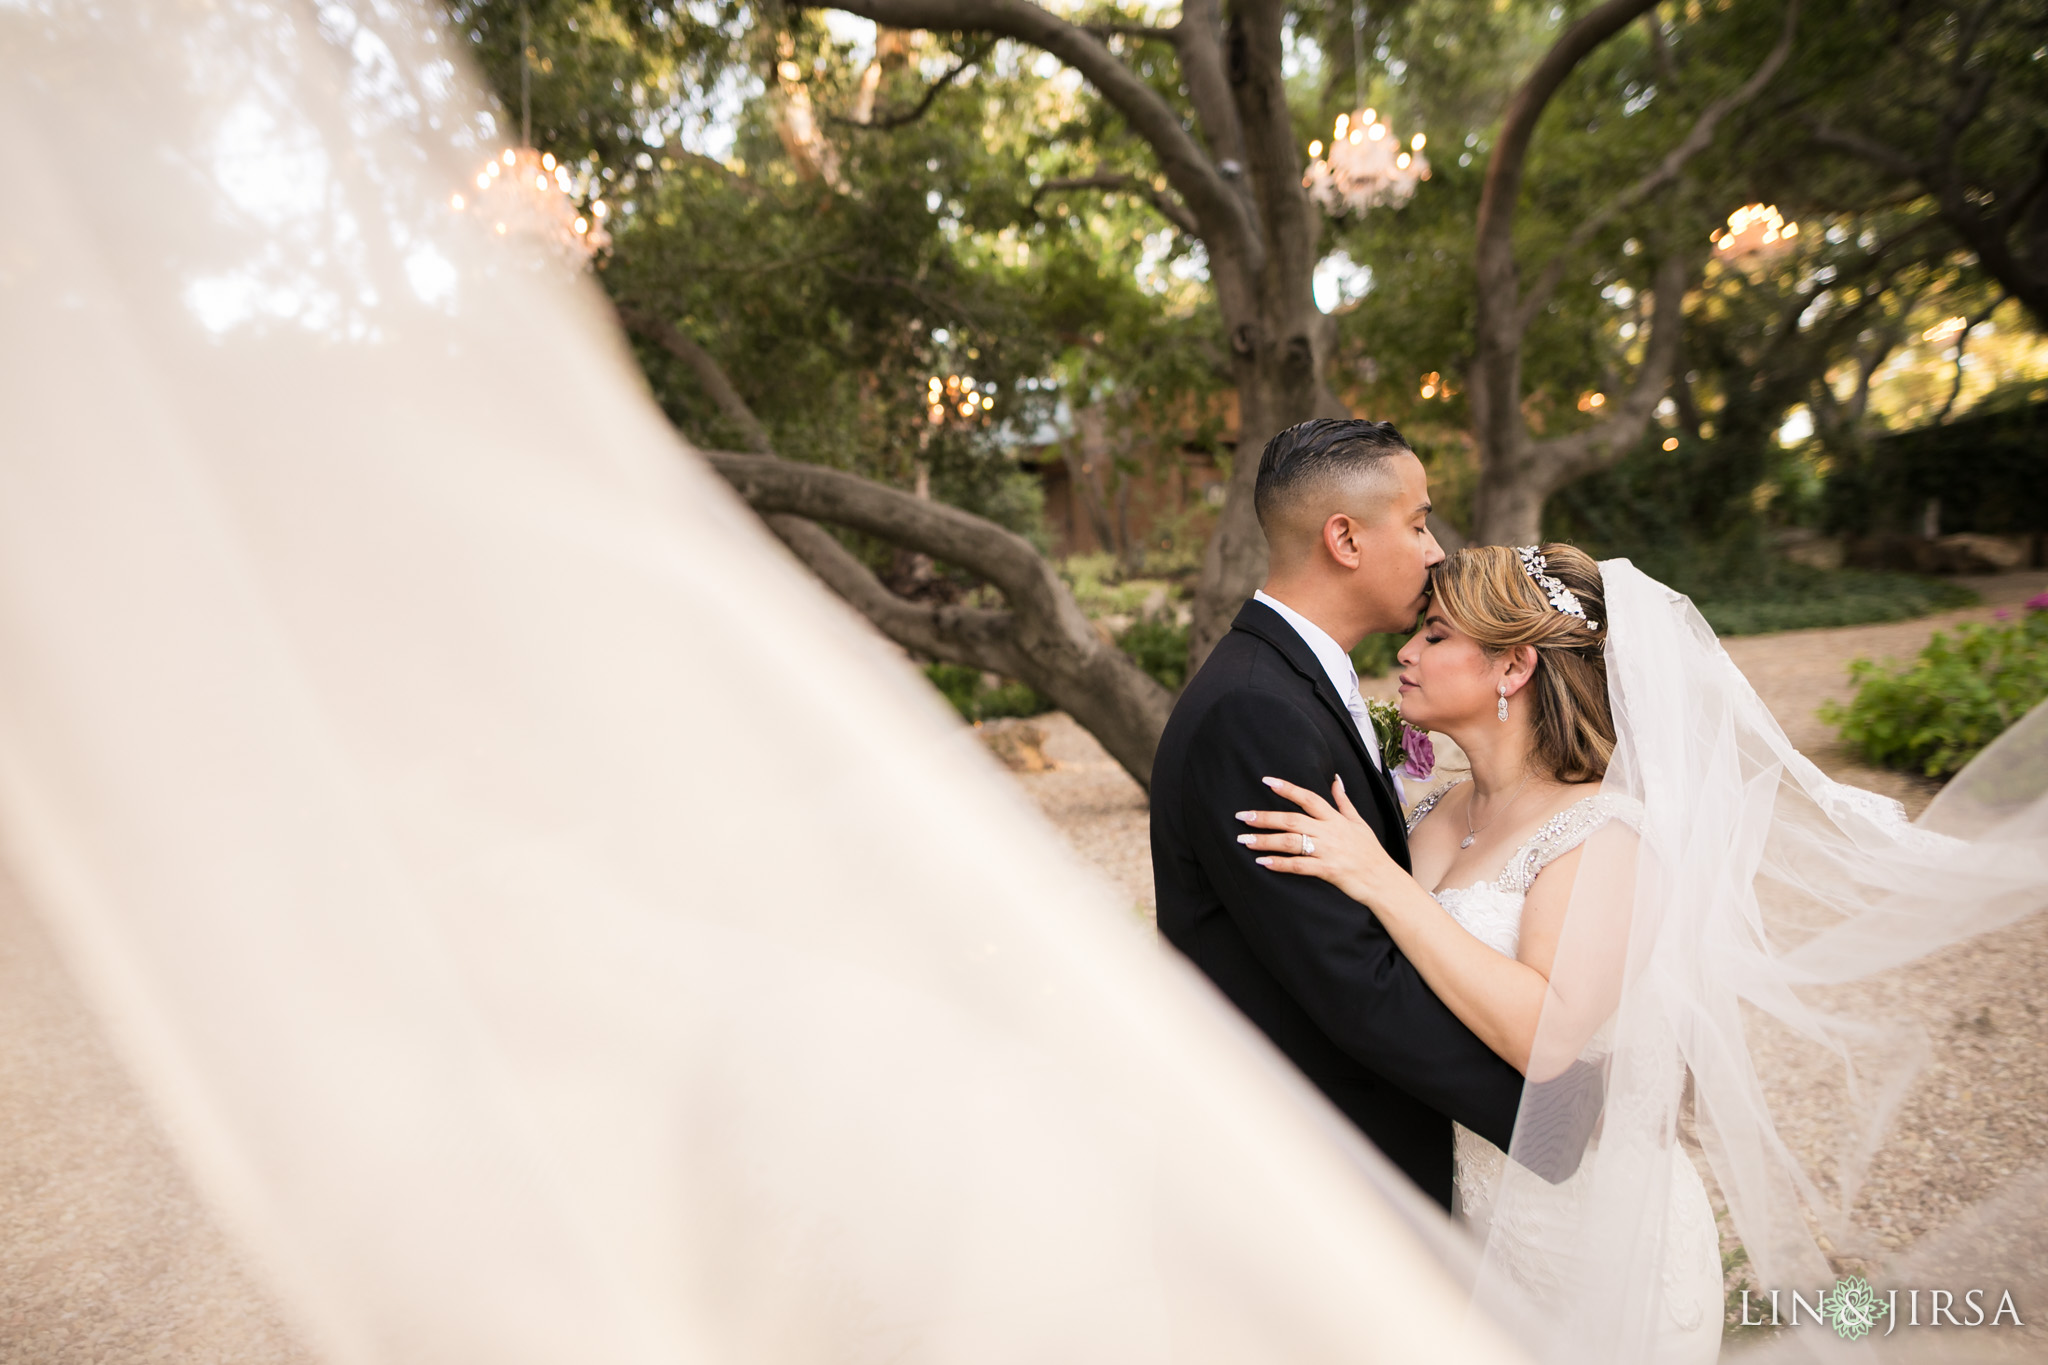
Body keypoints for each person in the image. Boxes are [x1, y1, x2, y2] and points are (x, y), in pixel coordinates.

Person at [1236, 544, 1721, 1362]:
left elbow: (1547, 1032)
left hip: (1590, 1237)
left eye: (1434, 634)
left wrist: (1380, 883)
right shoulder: (1443, 810)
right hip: (1474, 1214)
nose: (1406, 653)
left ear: (1514, 667)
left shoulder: (1606, 832)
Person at [1150, 418, 1531, 1209]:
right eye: (1419, 522)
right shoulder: (1254, 710)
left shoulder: (1290, 683)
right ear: (1345, 538)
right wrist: (1543, 1115)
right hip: (1310, 1170)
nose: (1435, 551)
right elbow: (1350, 977)